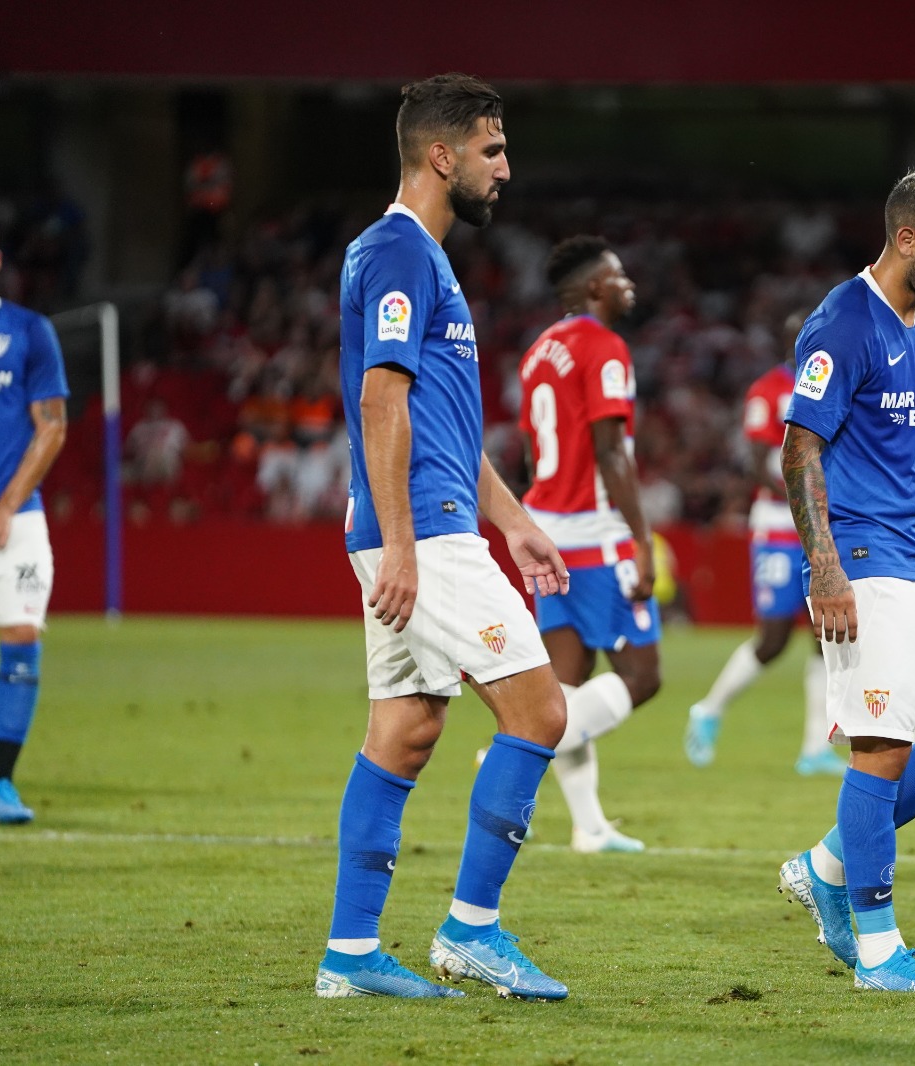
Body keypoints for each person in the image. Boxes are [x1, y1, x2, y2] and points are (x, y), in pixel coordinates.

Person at [319, 73, 572, 1002]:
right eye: (492, 150)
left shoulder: (424, 258)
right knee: (541, 713)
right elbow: (382, 399)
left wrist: (515, 521)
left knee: (407, 727)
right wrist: (402, 545)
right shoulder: (397, 253)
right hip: (418, 535)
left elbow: (443, 427)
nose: (505, 169)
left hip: (428, 526)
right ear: (441, 154)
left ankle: (349, 956)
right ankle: (472, 933)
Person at [776, 168, 915, 995]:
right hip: (866, 568)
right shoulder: (841, 324)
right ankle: (878, 951)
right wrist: (825, 567)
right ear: (906, 237)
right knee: (882, 750)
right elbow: (800, 449)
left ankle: (827, 863)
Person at [518, 235, 661, 854]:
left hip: (549, 529)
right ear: (594, 288)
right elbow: (610, 452)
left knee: (569, 682)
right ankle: (519, 750)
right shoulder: (604, 347)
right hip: (598, 538)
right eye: (619, 274)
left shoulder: (539, 350)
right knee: (642, 676)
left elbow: (530, 449)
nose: (629, 283)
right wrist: (643, 539)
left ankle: (589, 826)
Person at [684, 312, 843, 776]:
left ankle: (815, 747)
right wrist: (802, 497)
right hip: (777, 523)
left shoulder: (836, 380)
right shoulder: (768, 389)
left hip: (823, 523)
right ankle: (709, 708)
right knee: (772, 640)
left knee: (824, 634)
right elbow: (755, 463)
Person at [0, 249, 68, 825]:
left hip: (16, 516)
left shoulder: (28, 331)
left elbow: (53, 425)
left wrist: (7, 503)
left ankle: (1, 782)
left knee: (20, 632)